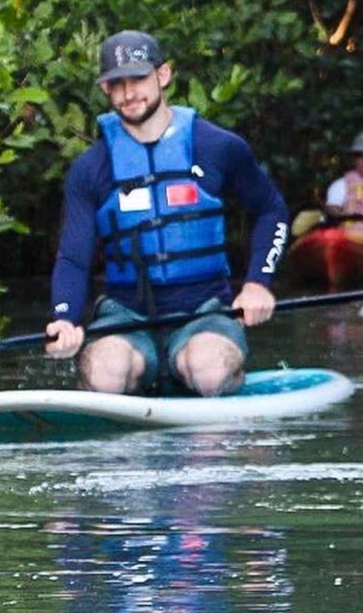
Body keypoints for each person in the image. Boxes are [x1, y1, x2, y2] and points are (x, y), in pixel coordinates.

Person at [44, 30, 289, 397]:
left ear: (163, 75)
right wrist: (64, 319)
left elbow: (272, 210)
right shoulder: (90, 168)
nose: (128, 94)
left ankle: (206, 382)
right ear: (106, 91)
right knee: (105, 372)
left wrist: (258, 283)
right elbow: (74, 257)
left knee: (209, 369)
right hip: (125, 316)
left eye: (138, 79)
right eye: (116, 84)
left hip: (205, 312)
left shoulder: (218, 147)